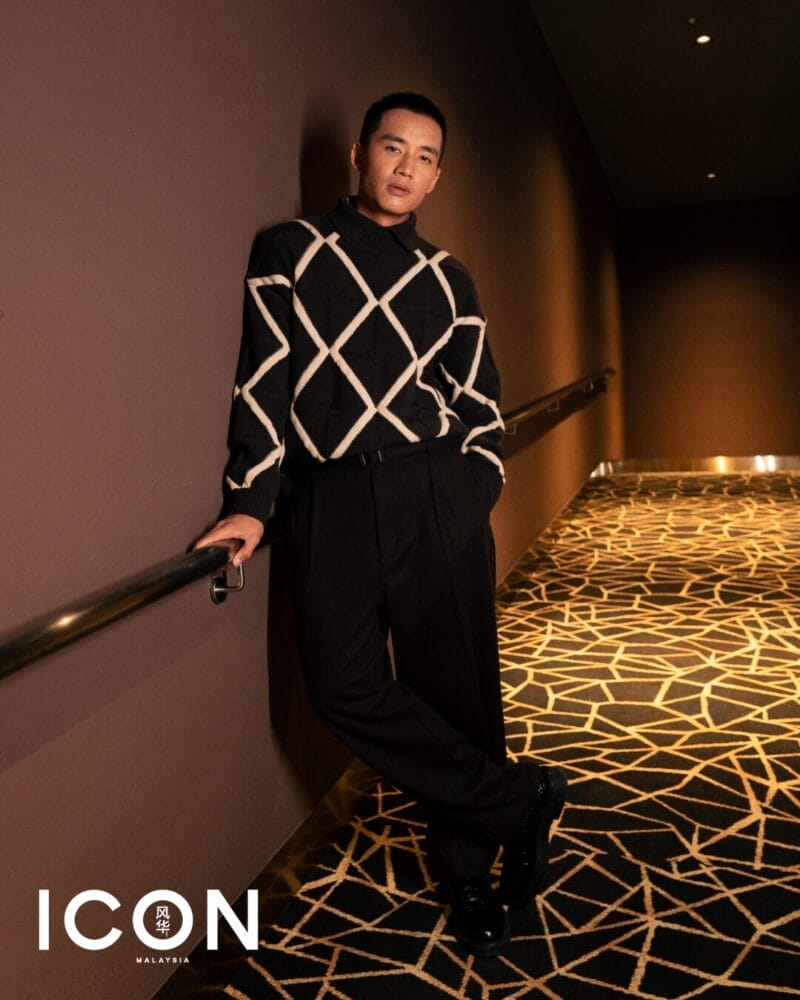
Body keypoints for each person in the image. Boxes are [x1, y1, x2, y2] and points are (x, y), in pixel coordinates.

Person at [195, 92, 567, 957]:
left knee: (459, 688)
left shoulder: (449, 278)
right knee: (341, 686)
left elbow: (479, 402)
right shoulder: (289, 251)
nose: (407, 167)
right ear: (360, 155)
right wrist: (250, 502)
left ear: (436, 178)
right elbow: (264, 383)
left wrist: (472, 489)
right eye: (394, 147)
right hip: (329, 497)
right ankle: (515, 801)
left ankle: (467, 871)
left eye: (426, 156)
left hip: (435, 491)